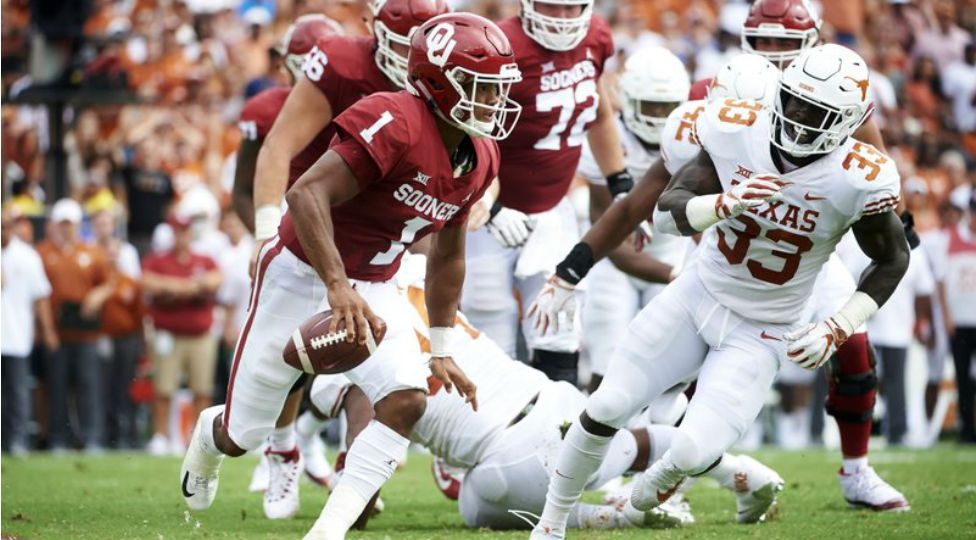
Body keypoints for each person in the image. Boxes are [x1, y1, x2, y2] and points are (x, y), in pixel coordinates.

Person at [529, 44, 910, 538]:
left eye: (819, 112)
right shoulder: (736, 128)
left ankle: (664, 486)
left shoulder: (859, 176)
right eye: (794, 101)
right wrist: (722, 204)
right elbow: (666, 213)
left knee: (691, 451)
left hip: (765, 327)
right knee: (605, 404)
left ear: (850, 121)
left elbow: (893, 258)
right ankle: (550, 525)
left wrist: (840, 325)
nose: (800, 118)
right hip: (699, 295)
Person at [180, 14, 520, 540]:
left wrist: (443, 346)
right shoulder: (395, 119)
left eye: (498, 90)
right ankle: (211, 434)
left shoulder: (482, 154)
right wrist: (337, 286)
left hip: (376, 283)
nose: (493, 102)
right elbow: (305, 194)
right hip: (298, 270)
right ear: (437, 83)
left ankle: (328, 531)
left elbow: (449, 255)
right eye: (480, 88)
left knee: (407, 398)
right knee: (245, 433)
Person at [304, 256, 784, 530]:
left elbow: (364, 455)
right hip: (559, 404)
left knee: (476, 503)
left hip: (513, 464)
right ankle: (737, 471)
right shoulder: (407, 278)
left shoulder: (345, 340)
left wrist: (356, 506)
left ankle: (616, 517)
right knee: (635, 443)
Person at [233, 4, 447, 518]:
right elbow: (272, 158)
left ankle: (354, 466)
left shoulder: (437, 90)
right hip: (304, 226)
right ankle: (282, 442)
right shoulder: (337, 67)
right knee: (289, 356)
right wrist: (263, 235)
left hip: (377, 236)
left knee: (372, 348)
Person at [738, 0, 909, 508]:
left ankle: (856, 470)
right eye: (764, 41)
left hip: (806, 249)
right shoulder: (731, 85)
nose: (773, 54)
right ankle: (658, 467)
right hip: (731, 243)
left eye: (784, 43)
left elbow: (875, 162)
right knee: (677, 363)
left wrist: (900, 220)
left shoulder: (834, 92)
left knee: (854, 346)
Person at [460, 0, 628, 383]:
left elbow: (598, 111)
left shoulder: (596, 36)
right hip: (485, 214)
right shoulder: (498, 44)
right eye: (552, 8)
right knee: (488, 334)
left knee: (560, 328)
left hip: (553, 210)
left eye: (573, 8)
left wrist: (619, 179)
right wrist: (493, 204)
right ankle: (488, 439)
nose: (564, 19)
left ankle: (554, 437)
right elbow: (464, 135)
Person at [576, 46, 693, 393]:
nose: (659, 116)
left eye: (667, 107)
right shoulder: (605, 138)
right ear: (629, 100)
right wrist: (675, 275)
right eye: (651, 106)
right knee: (606, 361)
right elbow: (609, 236)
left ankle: (656, 439)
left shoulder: (697, 136)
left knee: (671, 367)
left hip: (671, 249)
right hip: (615, 262)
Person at [837, 229, 934, 445]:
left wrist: (921, 320)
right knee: (861, 379)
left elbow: (924, 291)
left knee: (893, 382)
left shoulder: (913, 251)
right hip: (866, 324)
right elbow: (848, 281)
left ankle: (896, 430)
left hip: (898, 327)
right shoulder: (863, 248)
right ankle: (859, 429)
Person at [36, 198, 114, 453]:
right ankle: (59, 437)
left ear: (78, 225)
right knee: (56, 387)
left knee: (88, 386)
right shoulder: (43, 252)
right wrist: (46, 330)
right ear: (55, 225)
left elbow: (109, 282)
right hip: (57, 331)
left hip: (86, 331)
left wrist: (96, 295)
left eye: (71, 224)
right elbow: (40, 295)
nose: (67, 228)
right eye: (63, 224)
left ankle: (91, 437)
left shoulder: (92, 252)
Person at [141, 212, 222, 456]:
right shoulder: (158, 259)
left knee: (202, 388)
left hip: (200, 334)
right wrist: (190, 287)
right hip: (168, 333)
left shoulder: (204, 259)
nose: (182, 236)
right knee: (163, 388)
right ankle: (160, 436)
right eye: (178, 231)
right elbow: (147, 282)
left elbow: (216, 280)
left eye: (185, 231)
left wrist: (173, 289)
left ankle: (197, 437)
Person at [1, 205, 58, 455]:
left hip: (15, 334)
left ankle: (16, 440)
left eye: (4, 226)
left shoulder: (27, 256)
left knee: (17, 391)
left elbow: (41, 296)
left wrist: (47, 330)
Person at [99, 240, 147, 449]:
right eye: (107, 252)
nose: (111, 256)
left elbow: (139, 316)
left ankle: (127, 434)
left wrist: (143, 345)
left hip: (127, 339)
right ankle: (105, 433)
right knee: (103, 387)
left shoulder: (129, 282)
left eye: (114, 252)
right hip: (101, 339)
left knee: (126, 387)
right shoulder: (96, 280)